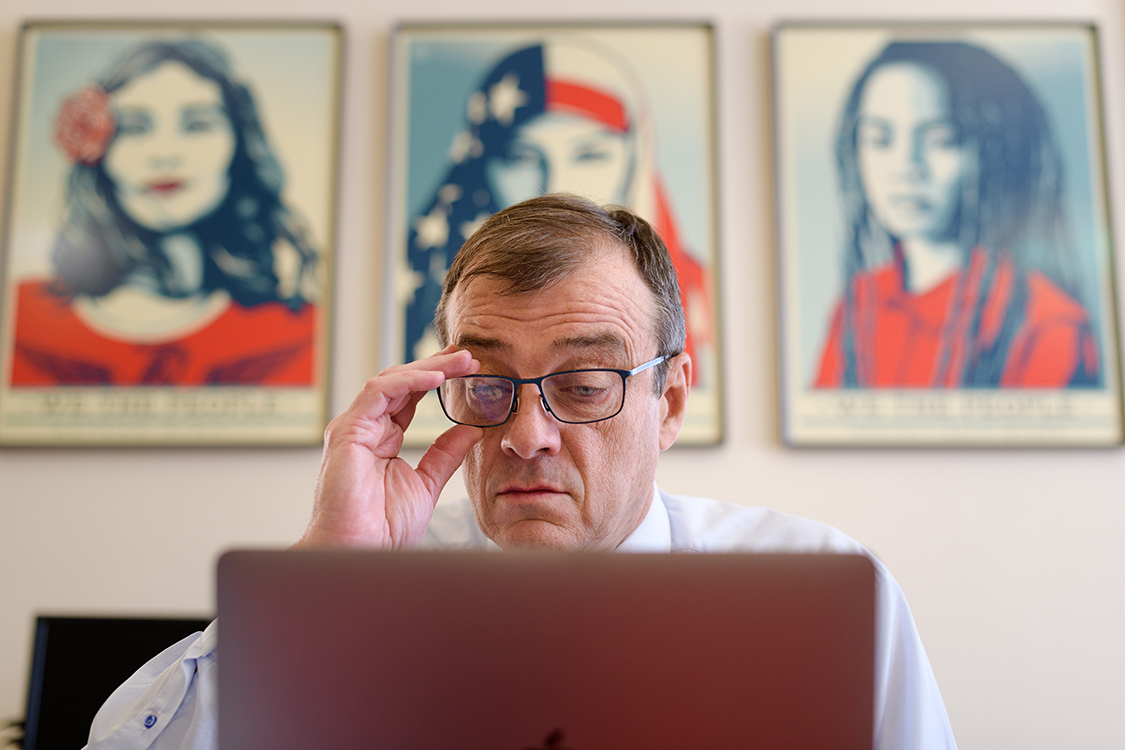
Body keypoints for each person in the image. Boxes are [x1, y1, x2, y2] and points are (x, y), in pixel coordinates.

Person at [84, 196, 956, 749]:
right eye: (491, 386)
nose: (527, 433)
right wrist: (318, 576)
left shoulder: (822, 596)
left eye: (581, 385)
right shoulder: (362, 597)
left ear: (672, 403)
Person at [403, 39, 713, 386]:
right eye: (488, 388)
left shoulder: (704, 292)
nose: (556, 185)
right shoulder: (416, 279)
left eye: (585, 387)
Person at [11, 38, 320, 386]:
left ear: (239, 143)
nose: (165, 153)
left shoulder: (301, 331)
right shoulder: (16, 315)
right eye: (134, 128)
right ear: (97, 149)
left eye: (197, 125)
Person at [814, 40, 1100, 388]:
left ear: (994, 151)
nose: (906, 168)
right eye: (880, 139)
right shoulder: (858, 306)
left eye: (941, 141)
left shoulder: (1047, 324)